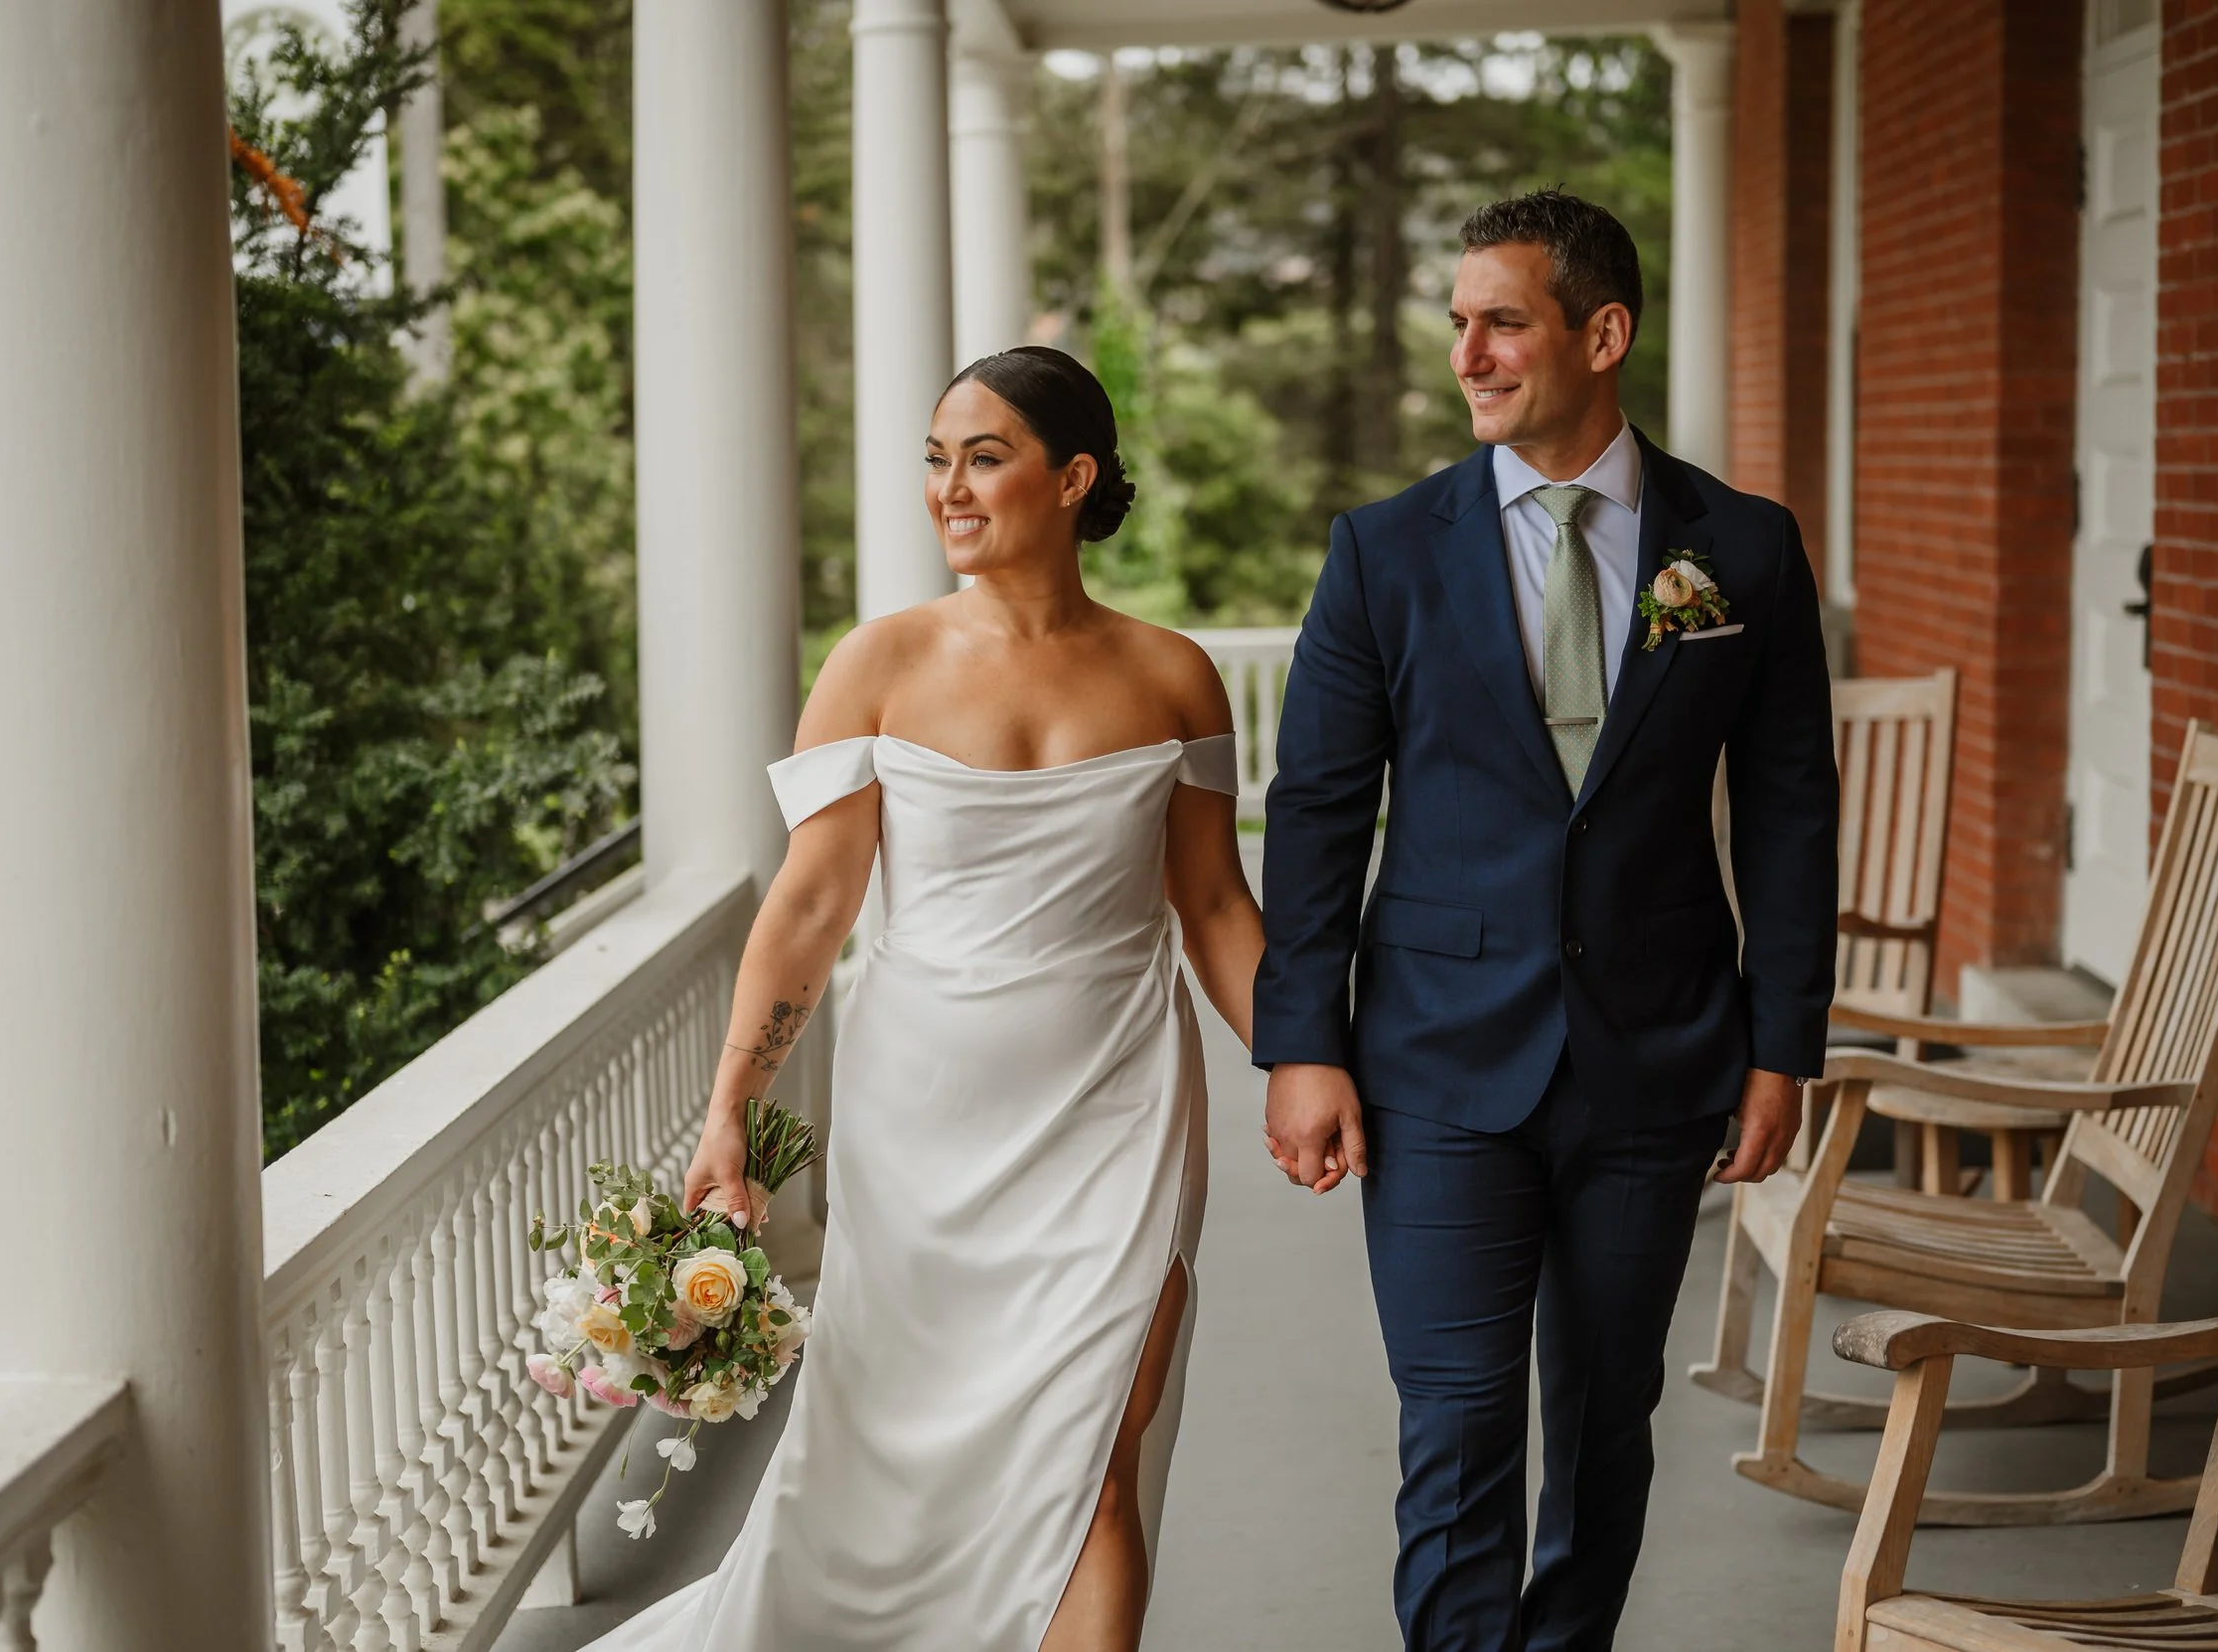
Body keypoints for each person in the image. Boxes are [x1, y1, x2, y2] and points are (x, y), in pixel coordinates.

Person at [585, 346, 1264, 1652]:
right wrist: (732, 1109)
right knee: (888, 1448)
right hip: (921, 1123)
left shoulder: (1174, 676)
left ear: (1071, 478)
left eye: (985, 457)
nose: (949, 488)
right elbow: (810, 906)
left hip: (1118, 1112)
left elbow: (1216, 907)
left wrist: (1307, 1064)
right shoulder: (877, 662)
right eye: (936, 460)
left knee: (1096, 1456)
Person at [1257, 189, 1840, 1650]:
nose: (1468, 354)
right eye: (1457, 323)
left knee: (1604, 1422)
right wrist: (1300, 1045)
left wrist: (1784, 1047)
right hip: (1439, 1056)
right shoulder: (1384, 552)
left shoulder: (1744, 550)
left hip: (1659, 1050)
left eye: (1501, 321)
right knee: (1456, 1426)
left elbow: (1786, 811)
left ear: (1603, 331)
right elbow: (1317, 816)